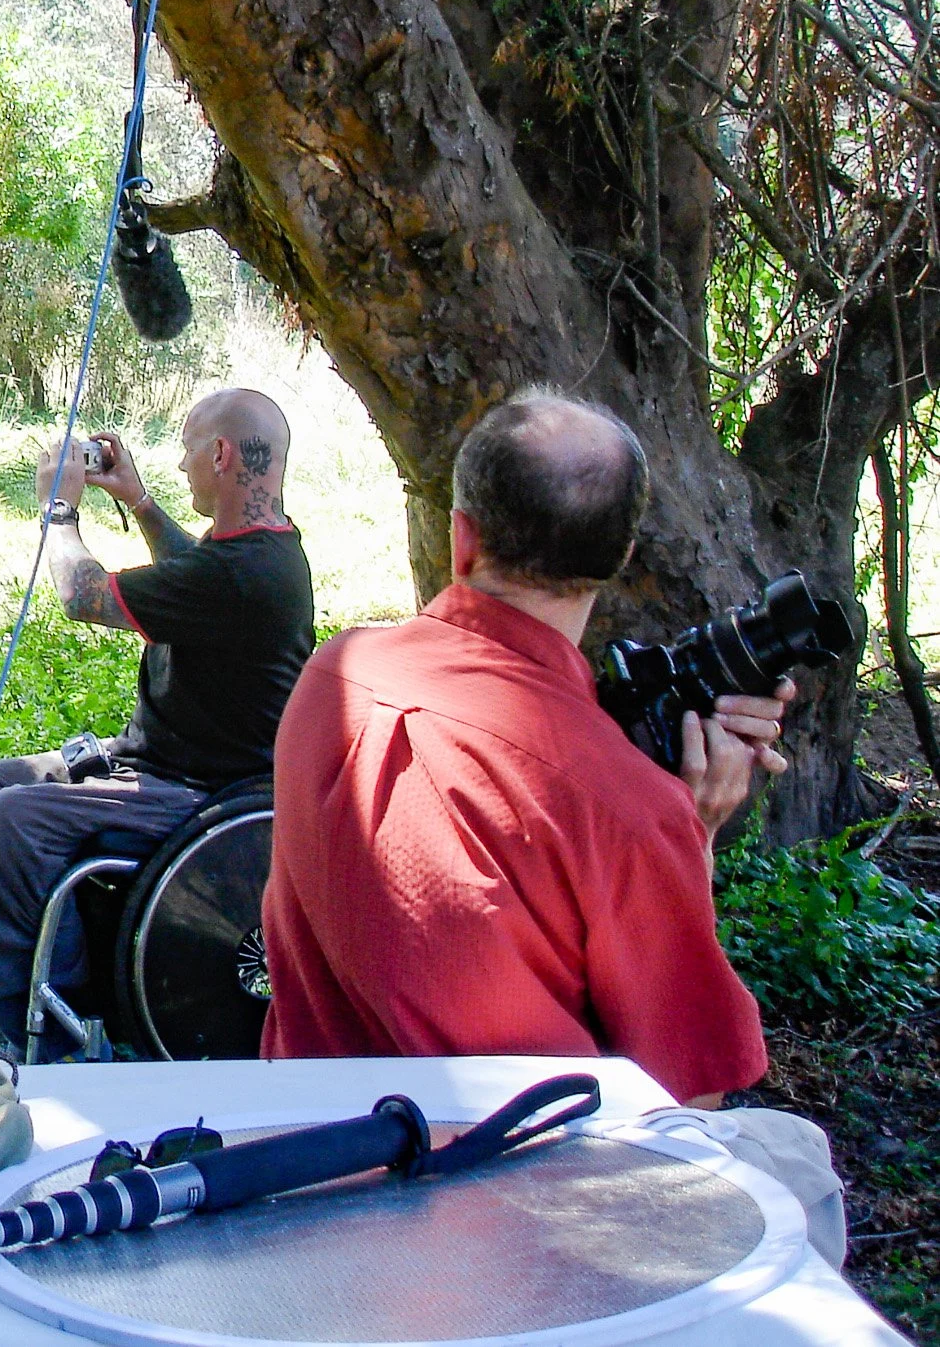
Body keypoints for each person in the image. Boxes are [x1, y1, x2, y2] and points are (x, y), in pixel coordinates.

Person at [260, 389, 850, 1264]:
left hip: (303, 1150)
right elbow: (686, 1104)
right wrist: (695, 830)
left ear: (462, 536)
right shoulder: (625, 805)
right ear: (621, 556)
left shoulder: (332, 674)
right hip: (506, 1211)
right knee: (798, 1162)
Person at [0, 389, 315, 1060]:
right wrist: (137, 499)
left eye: (190, 447)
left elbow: (83, 596)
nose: (184, 460)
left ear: (221, 455)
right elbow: (192, 569)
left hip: (205, 792)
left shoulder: (246, 573)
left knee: (11, 823)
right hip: (159, 763)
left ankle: (55, 1042)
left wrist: (61, 510)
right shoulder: (261, 548)